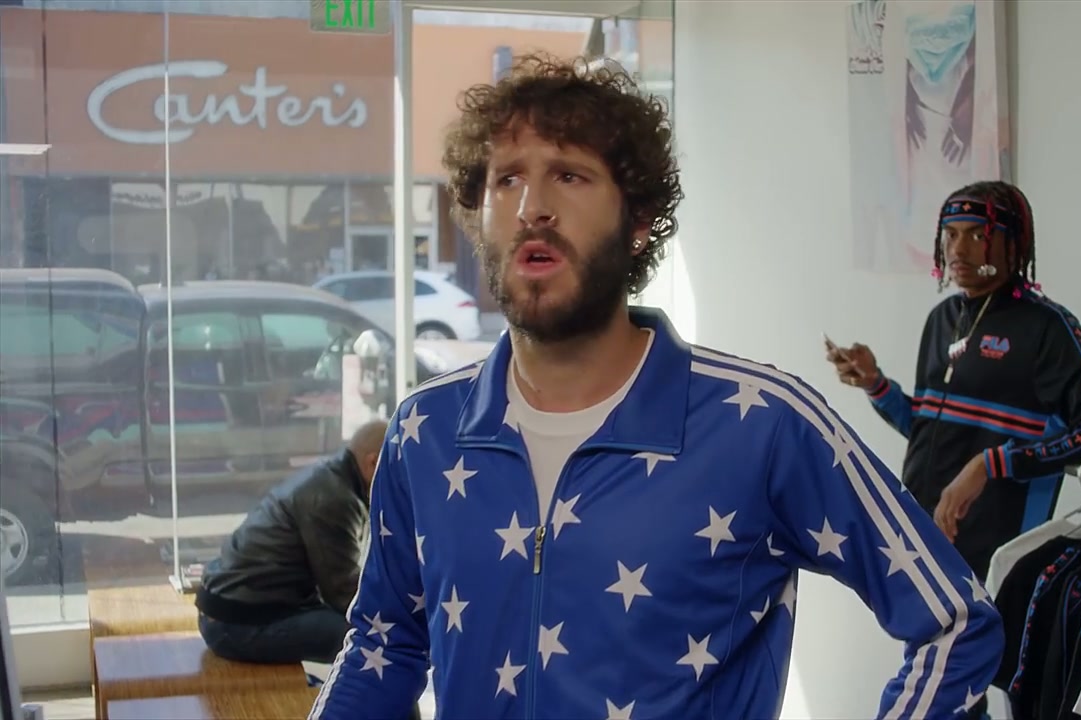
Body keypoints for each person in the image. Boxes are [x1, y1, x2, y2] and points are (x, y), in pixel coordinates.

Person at [309, 55, 1002, 720]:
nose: (532, 207)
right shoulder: (425, 430)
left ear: (638, 222)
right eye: (507, 179)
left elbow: (956, 621)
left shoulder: (762, 424)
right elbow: (384, 644)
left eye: (569, 175)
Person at [826, 180, 1081, 580]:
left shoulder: (1048, 327)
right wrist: (877, 386)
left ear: (1014, 244)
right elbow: (929, 431)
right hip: (919, 540)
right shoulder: (942, 319)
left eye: (977, 235)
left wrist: (992, 464)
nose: (958, 249)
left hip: (997, 560)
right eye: (951, 234)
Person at [196, 420, 387, 665]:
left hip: (237, 608)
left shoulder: (333, 478)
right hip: (233, 625)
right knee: (370, 638)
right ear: (373, 462)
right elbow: (344, 594)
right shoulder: (335, 498)